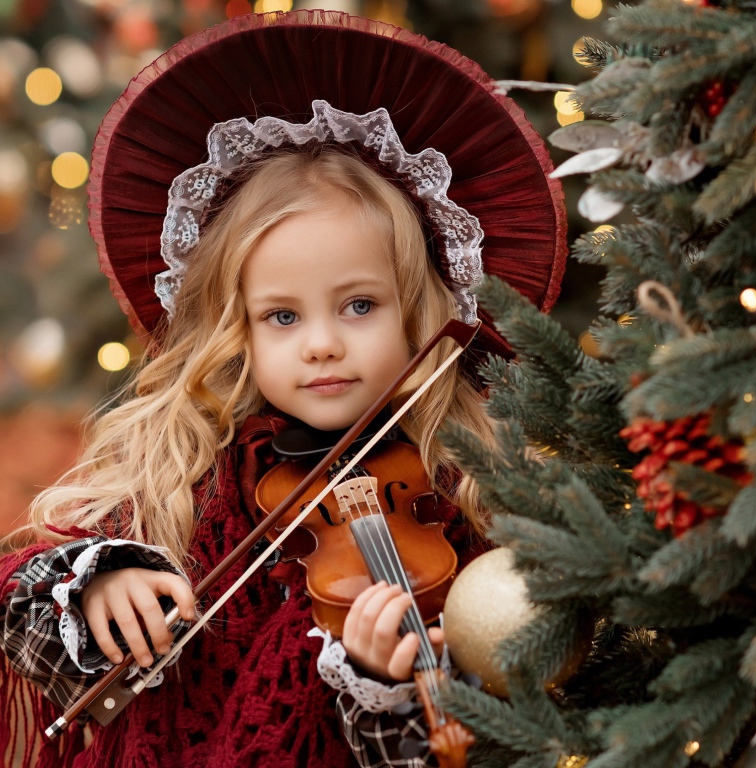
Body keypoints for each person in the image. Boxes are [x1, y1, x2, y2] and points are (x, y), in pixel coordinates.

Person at [0, 10, 566, 768]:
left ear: (419, 314)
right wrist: (98, 586)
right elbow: (21, 597)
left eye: (359, 305)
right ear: (240, 331)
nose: (323, 342)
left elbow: (476, 732)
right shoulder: (194, 474)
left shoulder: (458, 485)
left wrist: (381, 684)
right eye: (282, 316)